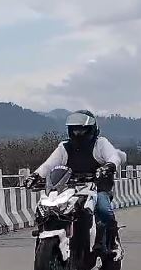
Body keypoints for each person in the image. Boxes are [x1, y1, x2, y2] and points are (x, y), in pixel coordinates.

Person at [24, 110, 125, 259]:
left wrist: (108, 166)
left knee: (103, 208)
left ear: (91, 129)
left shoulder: (100, 144)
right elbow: (48, 165)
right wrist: (35, 176)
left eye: (82, 130)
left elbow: (114, 157)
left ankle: (114, 243)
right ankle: (46, 240)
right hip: (69, 189)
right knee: (48, 209)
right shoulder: (64, 147)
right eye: (75, 130)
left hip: (97, 188)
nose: (78, 133)